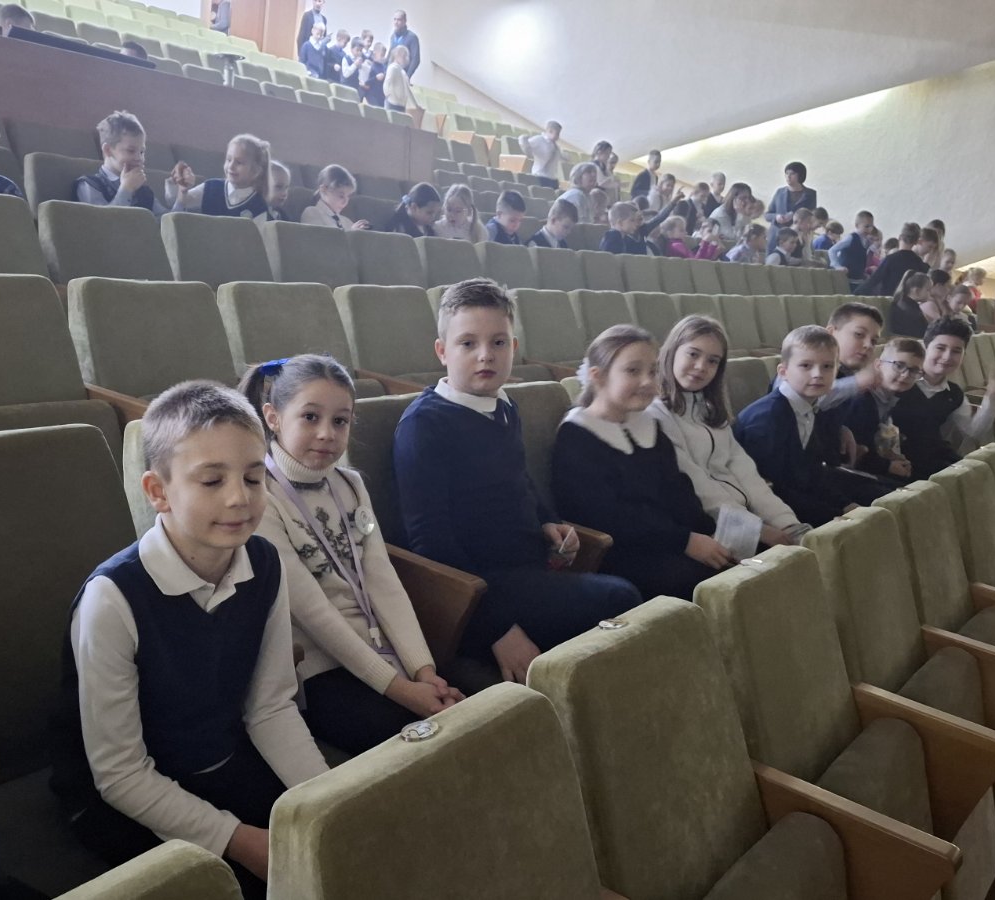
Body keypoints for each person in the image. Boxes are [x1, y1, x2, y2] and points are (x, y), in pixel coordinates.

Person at [51, 381, 329, 900]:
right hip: (121, 796)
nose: (239, 498)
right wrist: (241, 842)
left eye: (253, 477)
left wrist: (328, 801)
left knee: (331, 855)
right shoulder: (112, 599)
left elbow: (270, 707)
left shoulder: (264, 562)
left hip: (222, 759)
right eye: (211, 480)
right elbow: (120, 774)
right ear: (158, 491)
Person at [393, 279, 640, 683]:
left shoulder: (504, 404)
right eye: (467, 343)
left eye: (498, 342)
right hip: (477, 589)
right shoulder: (424, 425)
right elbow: (431, 543)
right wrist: (499, 630)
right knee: (620, 597)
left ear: (514, 347)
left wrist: (548, 521)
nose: (485, 355)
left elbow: (519, 478)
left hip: (527, 568)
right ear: (442, 351)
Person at [240, 355, 461, 754]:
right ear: (273, 417)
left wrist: (422, 670)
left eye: (340, 421)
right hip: (318, 666)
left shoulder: (351, 485)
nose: (327, 433)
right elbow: (312, 613)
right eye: (310, 417)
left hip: (383, 650)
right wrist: (402, 690)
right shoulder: (262, 496)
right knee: (419, 743)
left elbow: (383, 582)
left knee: (473, 711)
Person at [551, 325, 731, 600]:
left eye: (653, 371)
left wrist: (711, 534)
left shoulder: (649, 426)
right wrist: (685, 541)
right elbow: (608, 516)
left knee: (741, 561)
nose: (648, 381)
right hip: (619, 552)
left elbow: (679, 492)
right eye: (633, 371)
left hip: (671, 541)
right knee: (695, 580)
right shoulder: (577, 435)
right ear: (598, 376)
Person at [649, 316, 812, 546]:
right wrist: (757, 530)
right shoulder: (655, 414)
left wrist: (788, 524)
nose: (701, 366)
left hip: (742, 517)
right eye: (693, 354)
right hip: (703, 526)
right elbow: (698, 486)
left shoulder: (710, 411)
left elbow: (746, 473)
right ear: (672, 352)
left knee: (810, 543)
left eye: (712, 361)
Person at [734, 326, 888, 526]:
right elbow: (774, 488)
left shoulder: (809, 407)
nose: (817, 374)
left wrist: (846, 505)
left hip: (795, 497)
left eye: (827, 366)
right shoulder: (767, 419)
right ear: (783, 372)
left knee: (883, 503)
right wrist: (838, 515)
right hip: (762, 510)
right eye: (806, 365)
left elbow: (811, 473)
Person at [889, 318, 995, 478]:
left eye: (956, 351)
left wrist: (992, 396)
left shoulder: (954, 394)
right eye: (940, 348)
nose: (947, 356)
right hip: (898, 463)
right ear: (925, 348)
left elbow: (973, 432)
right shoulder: (899, 380)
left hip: (934, 458)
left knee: (981, 474)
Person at [843, 338, 926, 484]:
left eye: (913, 370)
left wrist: (893, 458)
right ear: (878, 365)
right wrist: (888, 466)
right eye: (899, 365)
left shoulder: (899, 396)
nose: (905, 374)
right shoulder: (863, 401)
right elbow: (858, 454)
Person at [74, 110, 168, 214]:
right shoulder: (89, 185)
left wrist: (180, 199)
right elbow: (102, 221)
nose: (139, 158)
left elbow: (166, 221)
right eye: (131, 151)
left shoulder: (144, 191)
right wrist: (126, 189)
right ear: (108, 150)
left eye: (142, 152)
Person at [168, 133, 272, 221]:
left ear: (256, 171)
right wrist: (182, 189)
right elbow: (177, 203)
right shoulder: (211, 187)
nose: (231, 166)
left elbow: (255, 238)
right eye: (229, 160)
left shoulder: (258, 206)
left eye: (239, 162)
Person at [855, 221, 931, 295]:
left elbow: (874, 280)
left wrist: (855, 293)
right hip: (907, 301)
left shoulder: (890, 259)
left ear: (900, 237)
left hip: (888, 300)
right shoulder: (918, 262)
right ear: (916, 242)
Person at [301, 163, 369, 230]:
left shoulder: (347, 221)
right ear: (324, 190)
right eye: (341, 196)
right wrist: (351, 234)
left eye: (348, 196)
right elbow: (317, 236)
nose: (345, 201)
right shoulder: (312, 212)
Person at [765, 161, 817, 246]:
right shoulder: (779, 192)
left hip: (797, 238)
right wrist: (777, 217)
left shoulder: (810, 194)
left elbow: (811, 216)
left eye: (792, 174)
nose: (788, 177)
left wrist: (793, 216)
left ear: (800, 175)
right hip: (777, 236)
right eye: (786, 173)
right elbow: (767, 215)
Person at [886, 270, 935, 339]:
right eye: (928, 290)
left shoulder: (902, 303)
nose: (931, 293)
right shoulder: (910, 311)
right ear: (917, 291)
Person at [522, 120, 565, 188]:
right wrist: (524, 141)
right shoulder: (539, 140)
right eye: (556, 133)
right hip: (540, 175)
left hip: (552, 178)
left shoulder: (556, 147)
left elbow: (560, 157)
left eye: (558, 134)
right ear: (549, 131)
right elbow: (527, 147)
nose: (557, 136)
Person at [557, 162, 600, 226]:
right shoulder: (576, 195)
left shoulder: (587, 196)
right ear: (578, 176)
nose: (594, 175)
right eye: (589, 172)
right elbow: (582, 225)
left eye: (595, 172)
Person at [828, 221, 868, 289]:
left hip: (858, 280)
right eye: (866, 226)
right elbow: (832, 250)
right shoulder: (851, 237)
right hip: (847, 279)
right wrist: (837, 266)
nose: (869, 229)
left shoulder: (865, 241)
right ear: (857, 225)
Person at [383, 44, 417, 114]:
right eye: (404, 56)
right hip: (393, 103)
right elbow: (387, 84)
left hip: (401, 105)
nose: (406, 59)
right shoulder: (393, 68)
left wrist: (415, 106)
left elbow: (407, 90)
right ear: (397, 55)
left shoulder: (402, 71)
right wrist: (389, 96)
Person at [389, 9, 421, 78]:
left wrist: (407, 76)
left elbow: (415, 59)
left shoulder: (412, 37)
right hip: (391, 74)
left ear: (404, 21)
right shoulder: (393, 37)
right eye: (394, 19)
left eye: (399, 20)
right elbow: (390, 55)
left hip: (403, 74)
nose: (396, 22)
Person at [358, 41, 388, 107]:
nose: (383, 57)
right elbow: (365, 83)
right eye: (381, 55)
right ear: (375, 53)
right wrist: (376, 78)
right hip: (371, 96)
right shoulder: (369, 66)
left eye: (384, 55)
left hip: (381, 96)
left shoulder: (383, 67)